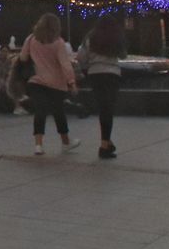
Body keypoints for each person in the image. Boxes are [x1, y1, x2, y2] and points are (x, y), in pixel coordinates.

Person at [20, 13, 80, 156]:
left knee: (40, 111)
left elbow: (22, 57)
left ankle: (38, 145)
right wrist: (72, 82)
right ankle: (65, 142)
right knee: (59, 112)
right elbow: (65, 64)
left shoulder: (31, 39)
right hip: (56, 83)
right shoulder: (58, 43)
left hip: (36, 81)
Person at [78, 15, 125, 160]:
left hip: (95, 74)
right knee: (108, 109)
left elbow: (81, 56)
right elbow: (123, 55)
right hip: (113, 74)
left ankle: (106, 142)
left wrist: (87, 67)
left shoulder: (91, 37)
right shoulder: (117, 36)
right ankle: (105, 145)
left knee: (103, 108)